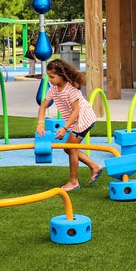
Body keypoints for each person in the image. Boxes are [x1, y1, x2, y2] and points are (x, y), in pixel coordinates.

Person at [36, 59, 103, 190]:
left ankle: (74, 182)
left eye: (52, 77)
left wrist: (64, 128)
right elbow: (43, 106)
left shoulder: (71, 89)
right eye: (48, 76)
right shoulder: (54, 89)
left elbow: (76, 111)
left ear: (62, 75)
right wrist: (40, 123)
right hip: (76, 120)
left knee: (70, 148)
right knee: (68, 148)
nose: (50, 80)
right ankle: (95, 166)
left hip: (83, 119)